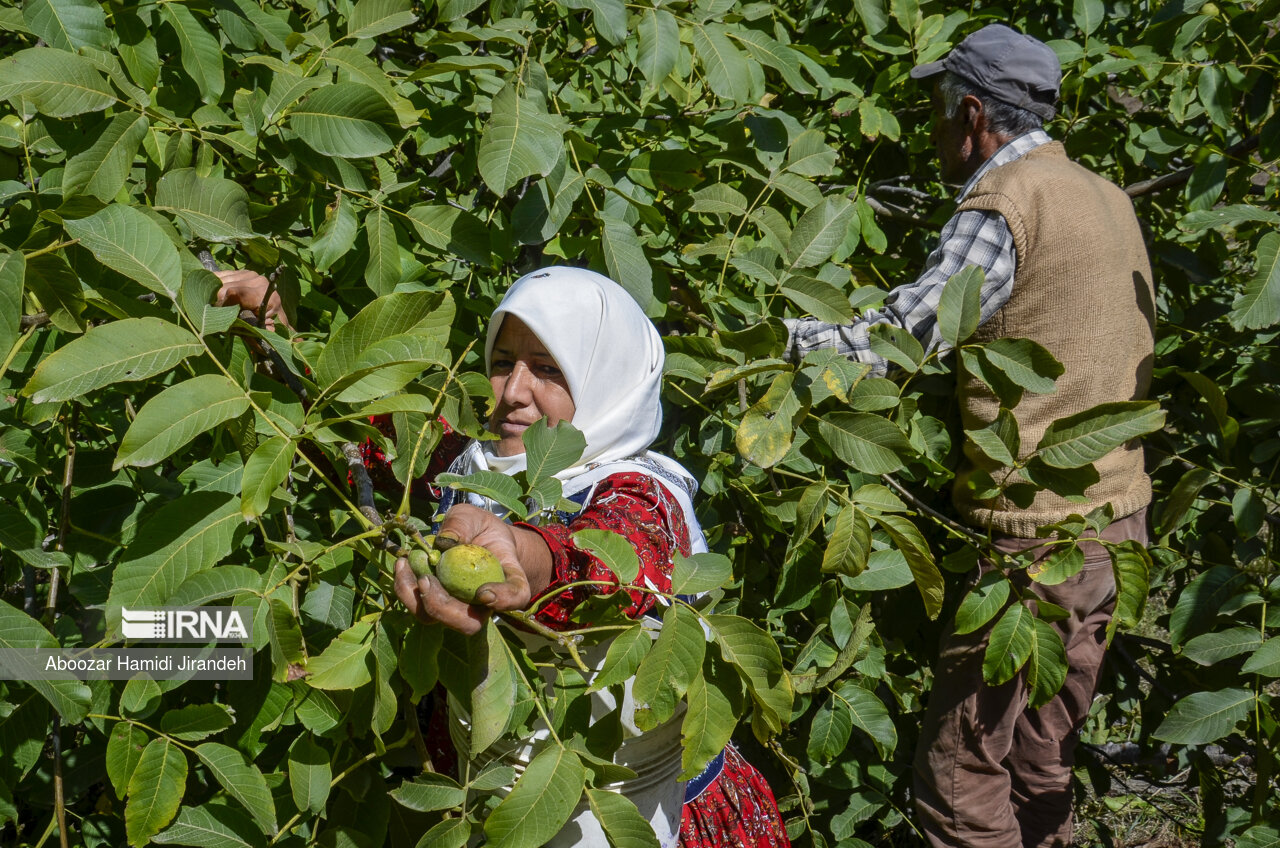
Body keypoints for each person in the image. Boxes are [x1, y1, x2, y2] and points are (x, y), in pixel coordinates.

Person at [218, 267, 790, 848]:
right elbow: (362, 435)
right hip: (493, 805)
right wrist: (277, 334)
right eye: (502, 362)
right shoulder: (470, 463)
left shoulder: (638, 492)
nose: (513, 391)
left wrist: (521, 553)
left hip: (644, 818)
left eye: (547, 369)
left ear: (604, 376)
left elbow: (617, 553)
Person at [783, 25, 1155, 848]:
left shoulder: (1006, 202)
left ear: (975, 113)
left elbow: (912, 334)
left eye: (936, 109)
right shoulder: (1107, 196)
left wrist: (781, 345)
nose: (931, 128)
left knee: (961, 779)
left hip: (1037, 541)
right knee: (1040, 758)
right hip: (1117, 526)